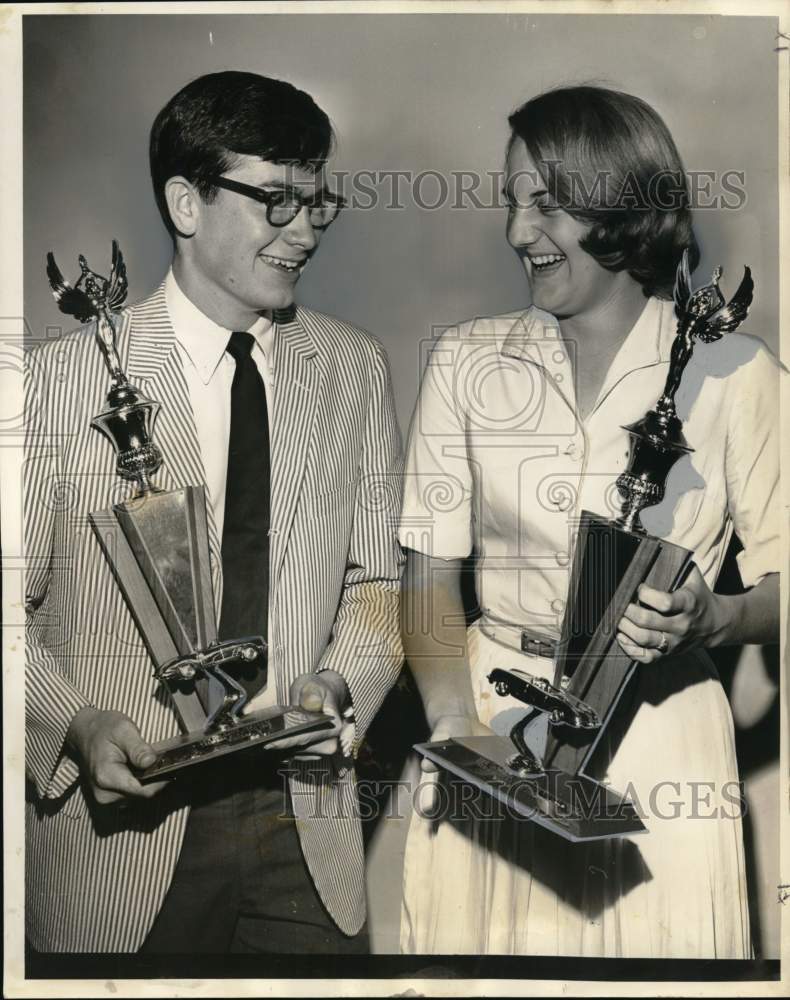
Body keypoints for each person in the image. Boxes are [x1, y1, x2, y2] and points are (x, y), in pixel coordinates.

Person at [25, 71, 403, 954]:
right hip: (123, 843)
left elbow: (381, 588)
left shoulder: (357, 369)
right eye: (276, 201)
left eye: (318, 203)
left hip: (306, 830)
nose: (305, 229)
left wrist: (339, 684)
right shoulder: (57, 384)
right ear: (185, 203)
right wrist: (77, 726)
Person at [398, 85, 780, 957]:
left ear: (619, 205)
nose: (516, 234)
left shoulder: (736, 370)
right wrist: (454, 724)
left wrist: (713, 617)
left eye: (546, 203)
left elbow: (783, 586)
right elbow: (424, 580)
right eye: (511, 202)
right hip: (490, 728)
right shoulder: (464, 360)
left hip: (662, 741)